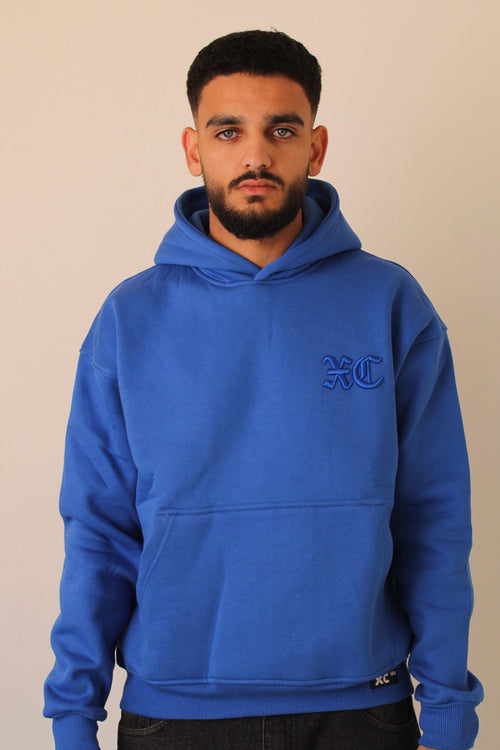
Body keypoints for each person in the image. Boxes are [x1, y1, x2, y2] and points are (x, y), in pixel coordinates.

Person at [44, 29, 483, 750]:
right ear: (194, 150)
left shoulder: (390, 304)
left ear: (316, 147)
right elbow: (97, 530)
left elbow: (433, 519)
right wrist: (72, 716)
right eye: (229, 131)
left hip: (362, 711)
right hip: (174, 717)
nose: (255, 155)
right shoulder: (130, 319)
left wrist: (447, 709)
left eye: (282, 130)